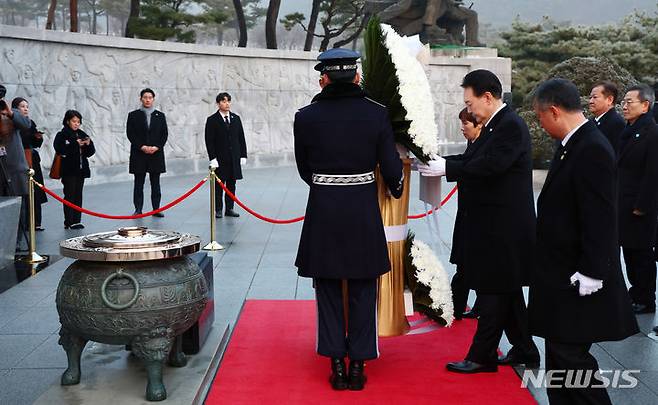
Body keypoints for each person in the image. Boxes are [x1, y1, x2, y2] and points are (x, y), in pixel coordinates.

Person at [294, 48, 403, 391]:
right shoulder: (376, 114)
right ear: (357, 77)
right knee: (362, 287)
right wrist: (396, 186)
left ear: (324, 78)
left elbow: (304, 169)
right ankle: (358, 364)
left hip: (324, 209)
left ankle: (336, 365)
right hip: (361, 211)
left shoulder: (306, 116)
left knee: (326, 287)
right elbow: (390, 166)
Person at [418, 69, 539, 373]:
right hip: (494, 223)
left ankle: (482, 355)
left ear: (487, 97)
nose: (468, 110)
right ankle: (525, 350)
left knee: (493, 292)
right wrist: (442, 164)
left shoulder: (509, 125)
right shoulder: (495, 125)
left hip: (504, 226)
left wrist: (446, 169)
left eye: (470, 103)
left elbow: (492, 165)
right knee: (507, 292)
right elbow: (473, 159)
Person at [529, 78, 639, 405]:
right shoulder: (572, 144)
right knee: (560, 358)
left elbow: (601, 217)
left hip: (579, 277)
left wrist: (593, 271)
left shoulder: (591, 147)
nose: (541, 124)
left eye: (540, 117)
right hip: (560, 273)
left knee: (571, 356)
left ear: (554, 111)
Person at [617, 84, 658, 314]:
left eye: (629, 102)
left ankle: (646, 297)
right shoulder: (629, 130)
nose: (624, 106)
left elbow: (653, 174)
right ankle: (636, 293)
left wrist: (642, 206)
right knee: (630, 252)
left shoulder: (652, 133)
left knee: (642, 254)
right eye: (623, 102)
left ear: (645, 105)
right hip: (625, 203)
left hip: (640, 207)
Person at [448, 108, 482, 320]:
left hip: (477, 217)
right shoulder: (474, 144)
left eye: (466, 124)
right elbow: (462, 159)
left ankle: (456, 308)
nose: (462, 128)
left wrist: (444, 166)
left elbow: (468, 165)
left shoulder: (483, 146)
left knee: (468, 267)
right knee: (466, 265)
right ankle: (460, 307)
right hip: (467, 214)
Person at [204, 92, 247, 218]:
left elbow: (241, 138)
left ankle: (230, 208)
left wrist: (243, 155)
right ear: (218, 104)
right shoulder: (212, 120)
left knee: (232, 185)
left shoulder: (236, 118)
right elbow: (209, 141)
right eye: (223, 101)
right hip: (220, 159)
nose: (226, 103)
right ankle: (218, 209)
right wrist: (212, 158)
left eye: (228, 101)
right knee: (219, 185)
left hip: (233, 158)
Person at [126, 88, 168, 217]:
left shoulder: (160, 116)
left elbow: (164, 134)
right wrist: (142, 146)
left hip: (156, 154)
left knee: (155, 183)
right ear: (141, 99)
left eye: (150, 97)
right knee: (139, 183)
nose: (147, 100)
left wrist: (157, 147)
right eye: (145, 97)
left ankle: (156, 209)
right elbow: (130, 134)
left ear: (153, 99)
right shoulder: (133, 115)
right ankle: (138, 209)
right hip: (139, 154)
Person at [0, 84, 31, 250]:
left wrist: (10, 113)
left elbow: (27, 125)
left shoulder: (13, 113)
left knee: (19, 206)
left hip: (15, 167)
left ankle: (17, 241)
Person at [53, 110, 95, 229]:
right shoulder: (62, 134)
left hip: (81, 170)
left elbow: (90, 152)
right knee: (69, 195)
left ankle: (77, 220)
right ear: (68, 121)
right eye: (74, 121)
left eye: (78, 122)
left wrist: (88, 144)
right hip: (68, 170)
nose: (76, 124)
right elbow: (59, 149)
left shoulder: (82, 134)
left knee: (78, 195)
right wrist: (74, 144)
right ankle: (69, 221)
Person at [12, 97, 47, 231]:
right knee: (24, 191)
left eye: (27, 106)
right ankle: (24, 223)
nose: (25, 109)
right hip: (20, 159)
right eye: (22, 106)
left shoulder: (30, 122)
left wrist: (38, 138)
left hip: (32, 158)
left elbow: (35, 143)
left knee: (35, 190)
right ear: (15, 109)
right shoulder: (12, 123)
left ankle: (36, 222)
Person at [588, 81, 625, 155]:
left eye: (595, 97)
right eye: (590, 98)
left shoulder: (617, 123)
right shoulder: (590, 122)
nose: (590, 101)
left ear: (609, 100)